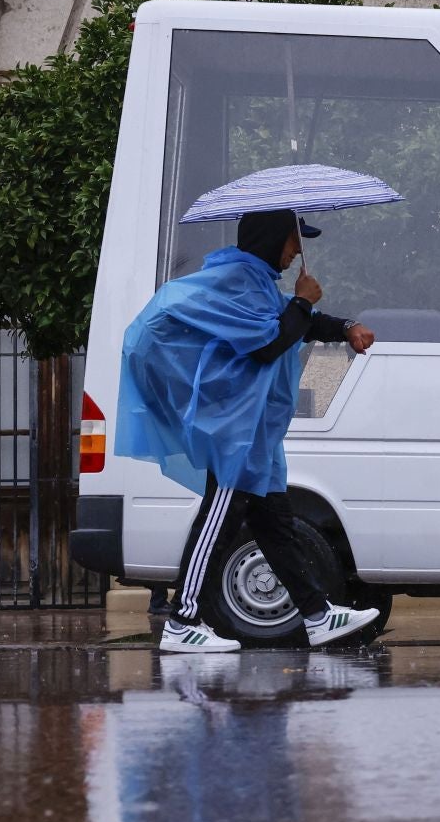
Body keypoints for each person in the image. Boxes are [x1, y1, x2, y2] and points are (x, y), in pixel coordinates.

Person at [117, 208, 382, 654]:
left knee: (275, 523)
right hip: (233, 429)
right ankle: (182, 621)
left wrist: (344, 326)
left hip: (252, 429)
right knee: (219, 516)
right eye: (294, 240)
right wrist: (302, 301)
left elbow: (291, 323)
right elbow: (266, 345)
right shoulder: (236, 281)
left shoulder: (255, 283)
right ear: (272, 238)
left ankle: (318, 616)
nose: (298, 250)